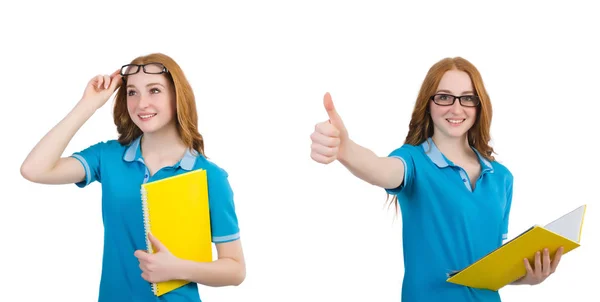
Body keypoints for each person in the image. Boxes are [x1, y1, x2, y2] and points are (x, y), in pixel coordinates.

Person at [309, 57, 563, 301]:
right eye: (444, 97)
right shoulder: (414, 162)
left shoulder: (502, 178)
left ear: (478, 105)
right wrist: (346, 150)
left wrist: (526, 277)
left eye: (467, 98)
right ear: (428, 104)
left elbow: (488, 266)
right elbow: (379, 169)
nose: (456, 108)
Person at [20, 53, 245, 301]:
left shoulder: (208, 176)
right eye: (132, 92)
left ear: (177, 96)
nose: (141, 104)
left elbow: (235, 269)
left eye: (154, 90)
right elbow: (35, 169)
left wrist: (177, 268)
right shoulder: (107, 157)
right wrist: (88, 104)